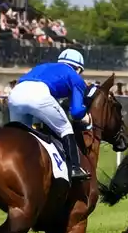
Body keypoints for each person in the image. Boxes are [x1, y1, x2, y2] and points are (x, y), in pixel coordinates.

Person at [7, 48, 90, 182]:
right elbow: (76, 112)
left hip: (15, 94)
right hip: (38, 95)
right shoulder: (75, 77)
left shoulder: (44, 66)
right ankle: (75, 168)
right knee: (65, 128)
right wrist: (86, 117)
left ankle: (11, 164)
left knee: (19, 135)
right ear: (79, 69)